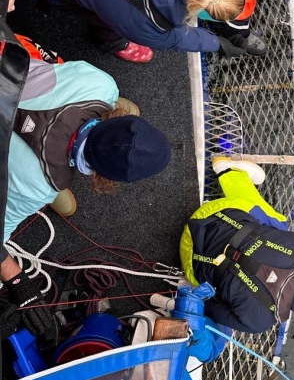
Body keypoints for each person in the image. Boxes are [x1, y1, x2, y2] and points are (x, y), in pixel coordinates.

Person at [0, 63, 172, 340]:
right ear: (102, 175)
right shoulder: (38, 187)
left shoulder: (99, 82)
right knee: (54, 193)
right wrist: (19, 281)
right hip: (27, 174)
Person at [180, 159, 294, 345]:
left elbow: (272, 238)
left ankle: (230, 173)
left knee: (277, 224)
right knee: (230, 309)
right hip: (190, 256)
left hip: (211, 214)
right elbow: (207, 306)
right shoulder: (259, 322)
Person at [17, 0, 294, 63]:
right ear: (203, 13)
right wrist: (219, 45)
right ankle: (111, 43)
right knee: (105, 19)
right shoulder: (155, 27)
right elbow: (176, 39)